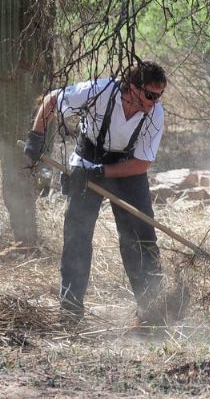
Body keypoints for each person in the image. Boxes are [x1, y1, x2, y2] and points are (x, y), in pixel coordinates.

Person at [23, 60, 168, 326]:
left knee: (141, 237)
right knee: (77, 237)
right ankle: (70, 312)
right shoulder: (100, 91)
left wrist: (102, 173)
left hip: (125, 168)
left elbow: (142, 163)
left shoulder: (155, 114)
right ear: (133, 88)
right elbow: (53, 100)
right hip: (85, 161)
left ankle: (152, 311)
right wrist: (37, 137)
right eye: (150, 95)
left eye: (159, 96)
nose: (154, 102)